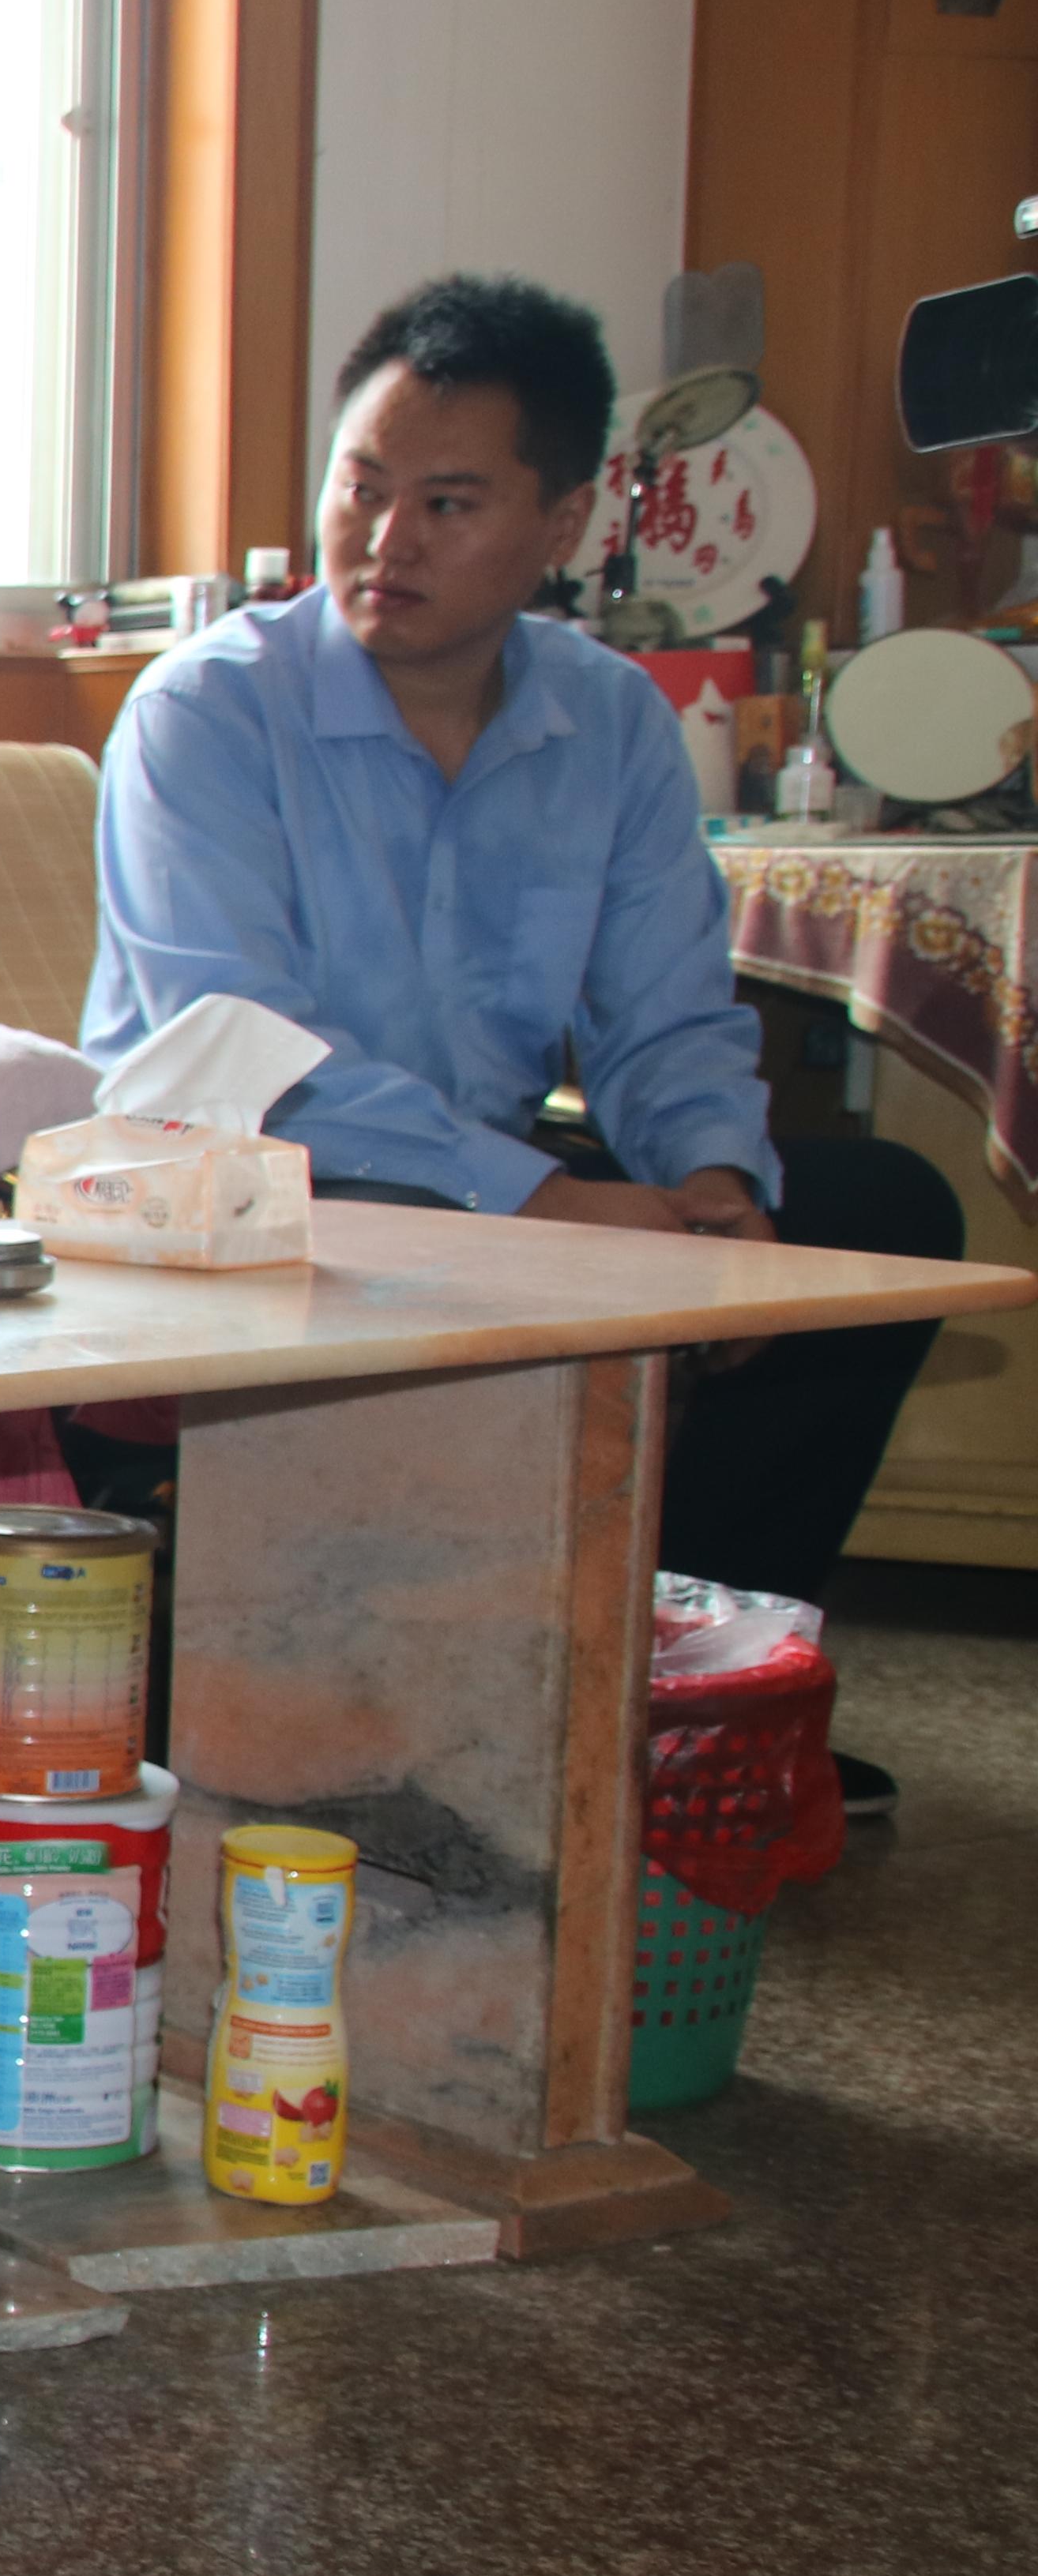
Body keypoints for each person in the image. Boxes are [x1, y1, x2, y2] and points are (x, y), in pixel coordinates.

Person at [88, 270, 963, 1777]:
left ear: (562, 521)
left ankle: (677, 1701)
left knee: (877, 1218)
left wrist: (717, 1192)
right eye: (361, 487)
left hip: (490, 1187)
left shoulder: (610, 720)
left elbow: (667, 1016)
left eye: (447, 503)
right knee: (424, 1230)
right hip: (240, 1189)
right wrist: (553, 1207)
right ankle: (485, 1701)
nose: (384, 540)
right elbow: (249, 1050)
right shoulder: (208, 712)